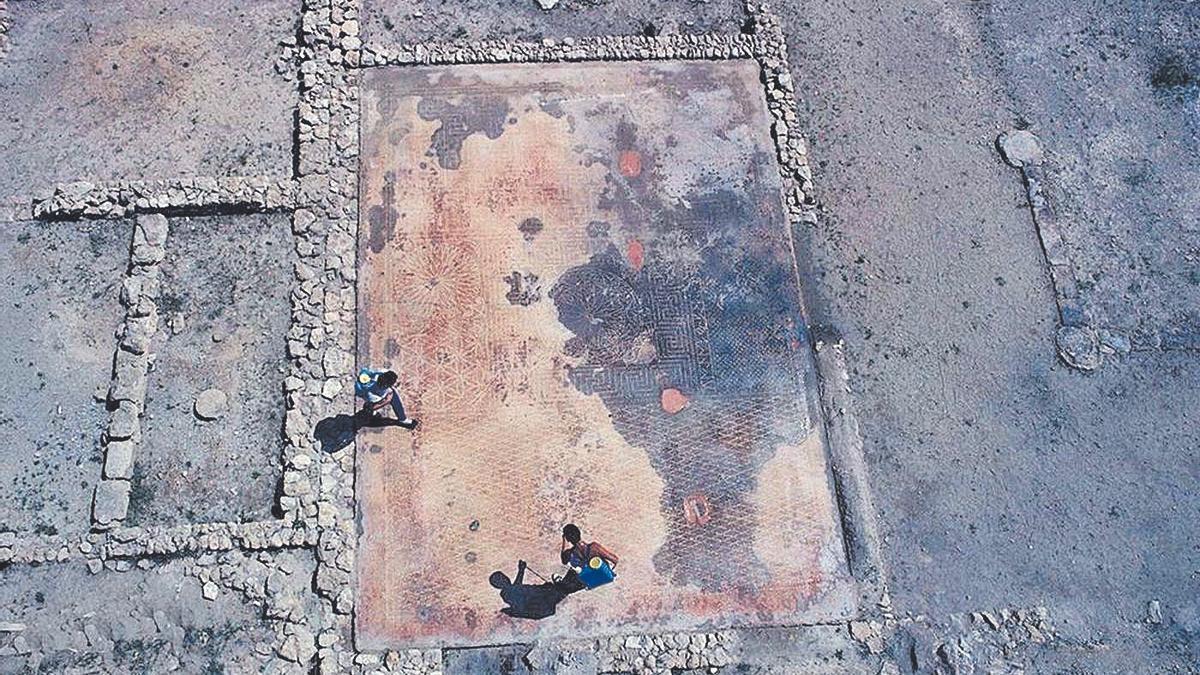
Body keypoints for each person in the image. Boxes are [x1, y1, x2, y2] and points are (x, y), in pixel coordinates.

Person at [489, 560, 569, 620]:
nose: (505, 579)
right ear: (498, 585)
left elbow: (518, 588)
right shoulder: (506, 593)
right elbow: (516, 588)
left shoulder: (511, 590)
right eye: (502, 579)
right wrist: (521, 570)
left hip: (543, 603)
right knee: (562, 587)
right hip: (541, 606)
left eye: (504, 577)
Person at [559, 523, 619, 591]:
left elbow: (564, 561)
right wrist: (609, 569)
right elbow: (615, 560)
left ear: (568, 539)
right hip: (601, 575)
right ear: (579, 533)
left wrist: (564, 541)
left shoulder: (571, 553)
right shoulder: (594, 548)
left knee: (573, 571)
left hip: (589, 579)